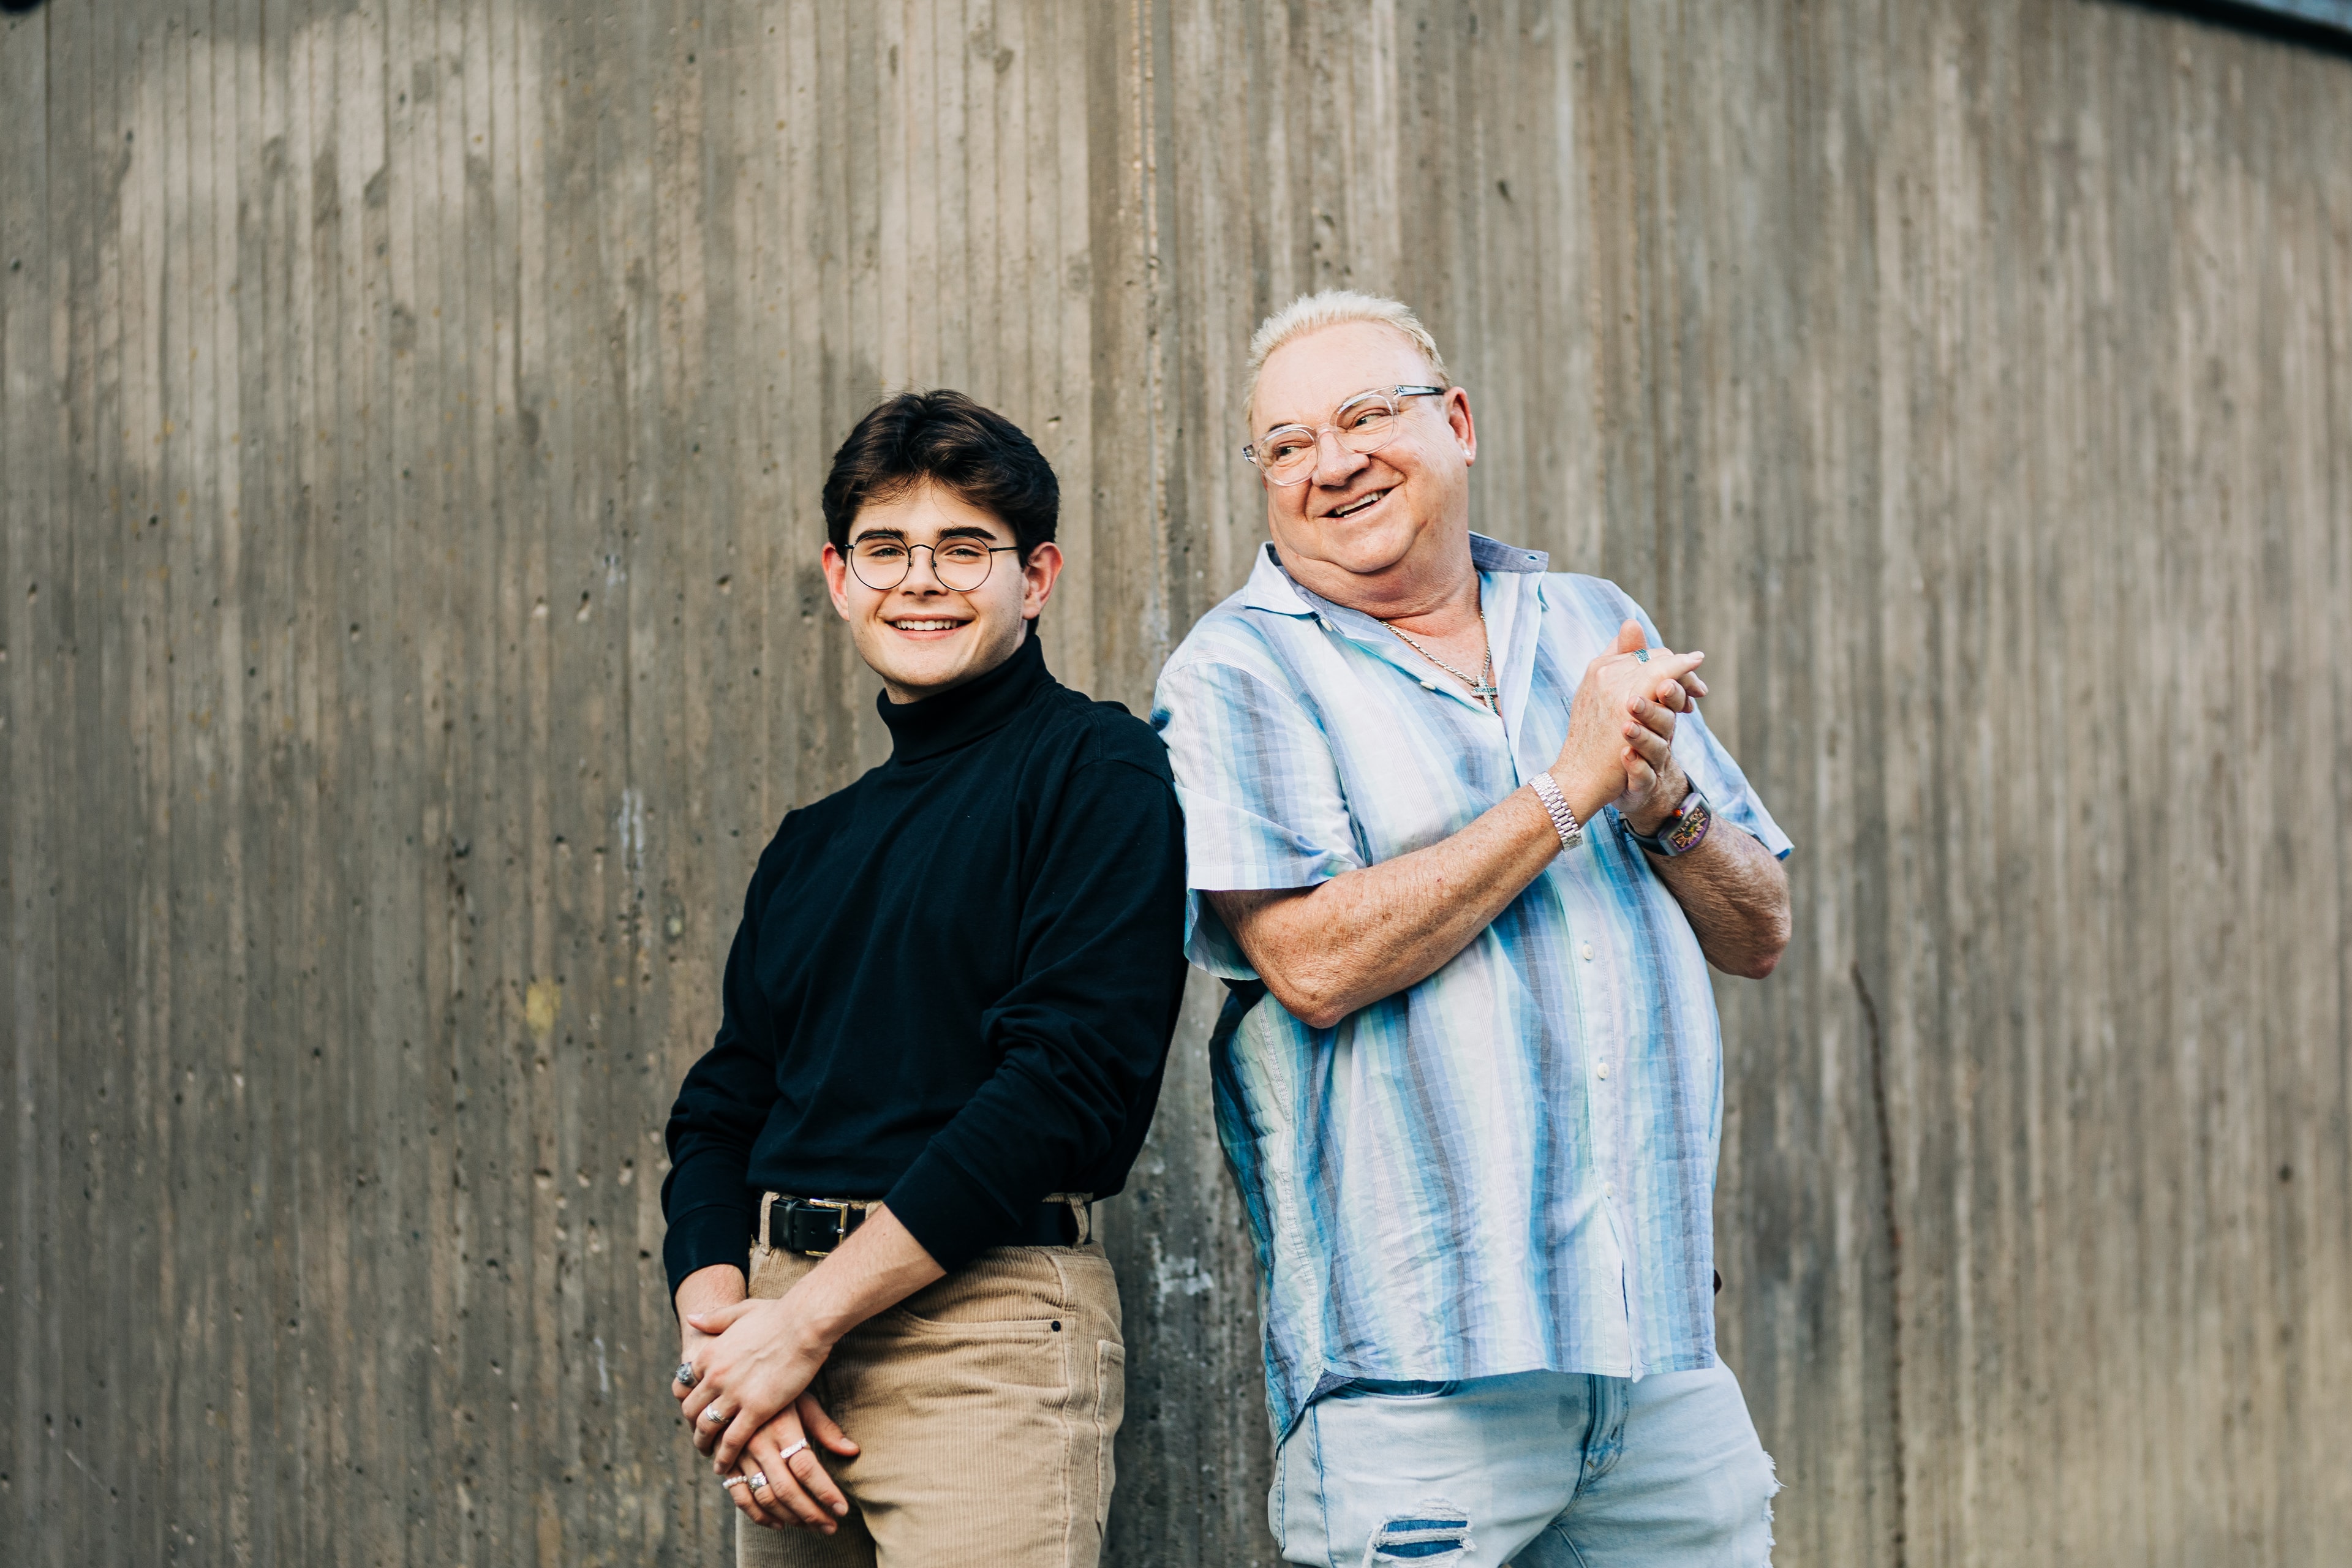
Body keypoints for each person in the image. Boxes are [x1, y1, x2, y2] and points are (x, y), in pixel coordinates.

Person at [1152, 292, 1794, 1568]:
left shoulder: (1592, 619)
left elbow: (1760, 926)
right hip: (1421, 1382)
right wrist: (1566, 791)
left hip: (1658, 1352)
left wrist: (1664, 802)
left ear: (1457, 423)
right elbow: (1313, 961)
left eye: (1364, 416)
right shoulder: (1237, 672)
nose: (1328, 462)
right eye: (1284, 445)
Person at [662, 390, 1189, 1567]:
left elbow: (1064, 1089)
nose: (921, 580)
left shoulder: (1097, 770)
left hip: (978, 1340)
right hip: (781, 1342)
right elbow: (723, 1103)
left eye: (965, 548)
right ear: (840, 577)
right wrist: (730, 1334)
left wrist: (802, 1323)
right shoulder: (812, 842)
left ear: (1036, 576)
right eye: (886, 549)